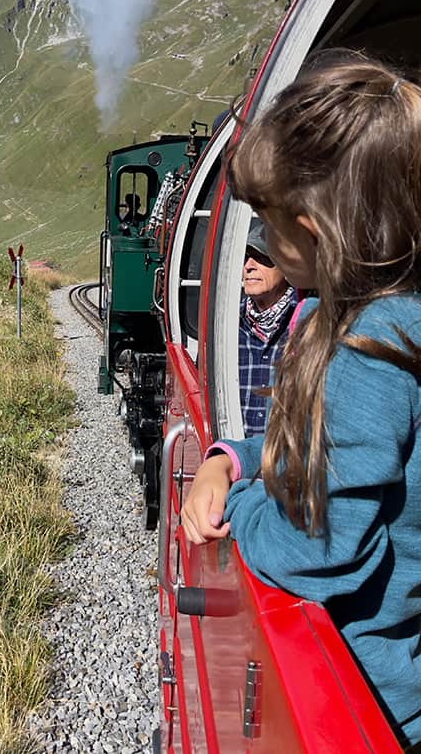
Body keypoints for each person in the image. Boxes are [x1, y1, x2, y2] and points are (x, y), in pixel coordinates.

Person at [181, 54, 421, 750]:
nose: (260, 237)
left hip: (363, 694)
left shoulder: (368, 351)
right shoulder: (391, 320)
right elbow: (336, 451)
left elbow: (317, 544)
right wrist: (228, 459)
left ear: (312, 230)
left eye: (266, 217)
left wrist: (245, 504)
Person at [239, 218, 297, 436]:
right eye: (245, 257)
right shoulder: (225, 329)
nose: (249, 266)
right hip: (234, 462)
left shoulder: (306, 324)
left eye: (262, 257)